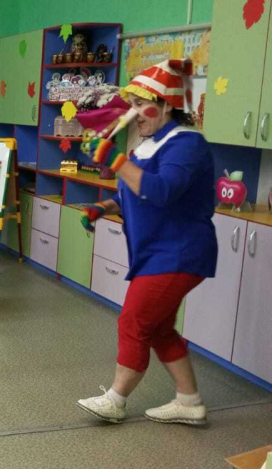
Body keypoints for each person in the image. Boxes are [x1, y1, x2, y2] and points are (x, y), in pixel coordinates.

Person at [76, 59, 217, 426]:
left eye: (141, 104)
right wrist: (104, 207)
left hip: (179, 251)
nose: (133, 114)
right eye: (132, 105)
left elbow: (161, 191)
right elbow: (133, 194)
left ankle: (116, 399)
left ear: (167, 104)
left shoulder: (187, 144)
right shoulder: (149, 145)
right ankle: (189, 401)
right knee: (158, 328)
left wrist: (114, 159)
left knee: (134, 321)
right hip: (157, 251)